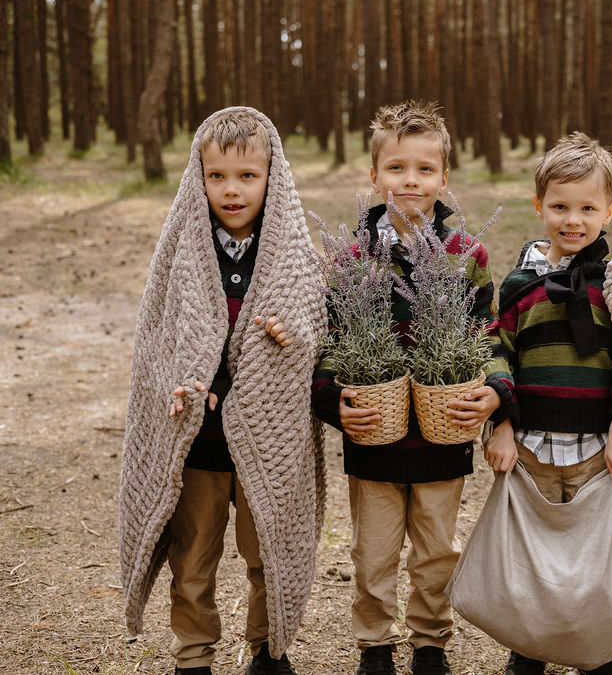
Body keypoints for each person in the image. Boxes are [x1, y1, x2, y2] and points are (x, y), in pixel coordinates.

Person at [119, 107, 327, 675]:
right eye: (217, 177)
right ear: (199, 176)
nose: (232, 191)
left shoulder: (291, 252)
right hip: (201, 441)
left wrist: (293, 333)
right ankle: (193, 654)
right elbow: (157, 337)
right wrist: (187, 381)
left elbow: (313, 321)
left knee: (269, 553)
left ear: (272, 177)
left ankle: (268, 649)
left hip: (269, 438)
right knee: (193, 556)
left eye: (247, 176)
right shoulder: (184, 250)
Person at [311, 101, 503, 675]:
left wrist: (494, 396)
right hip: (374, 436)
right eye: (396, 168)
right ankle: (374, 644)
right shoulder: (351, 257)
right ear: (374, 176)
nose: (410, 181)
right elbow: (328, 341)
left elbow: (486, 335)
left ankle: (429, 642)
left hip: (442, 438)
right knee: (372, 553)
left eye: (424, 169)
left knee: (437, 550)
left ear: (444, 178)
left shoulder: (466, 255)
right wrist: (334, 404)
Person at [483, 132, 612, 675]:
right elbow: (496, 352)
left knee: (589, 562)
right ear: (538, 206)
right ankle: (529, 649)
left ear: (609, 210)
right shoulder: (520, 285)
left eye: (588, 208)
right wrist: (500, 424)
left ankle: (595, 653)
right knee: (534, 559)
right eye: (560, 207)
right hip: (531, 448)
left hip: (598, 450)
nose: (573, 220)